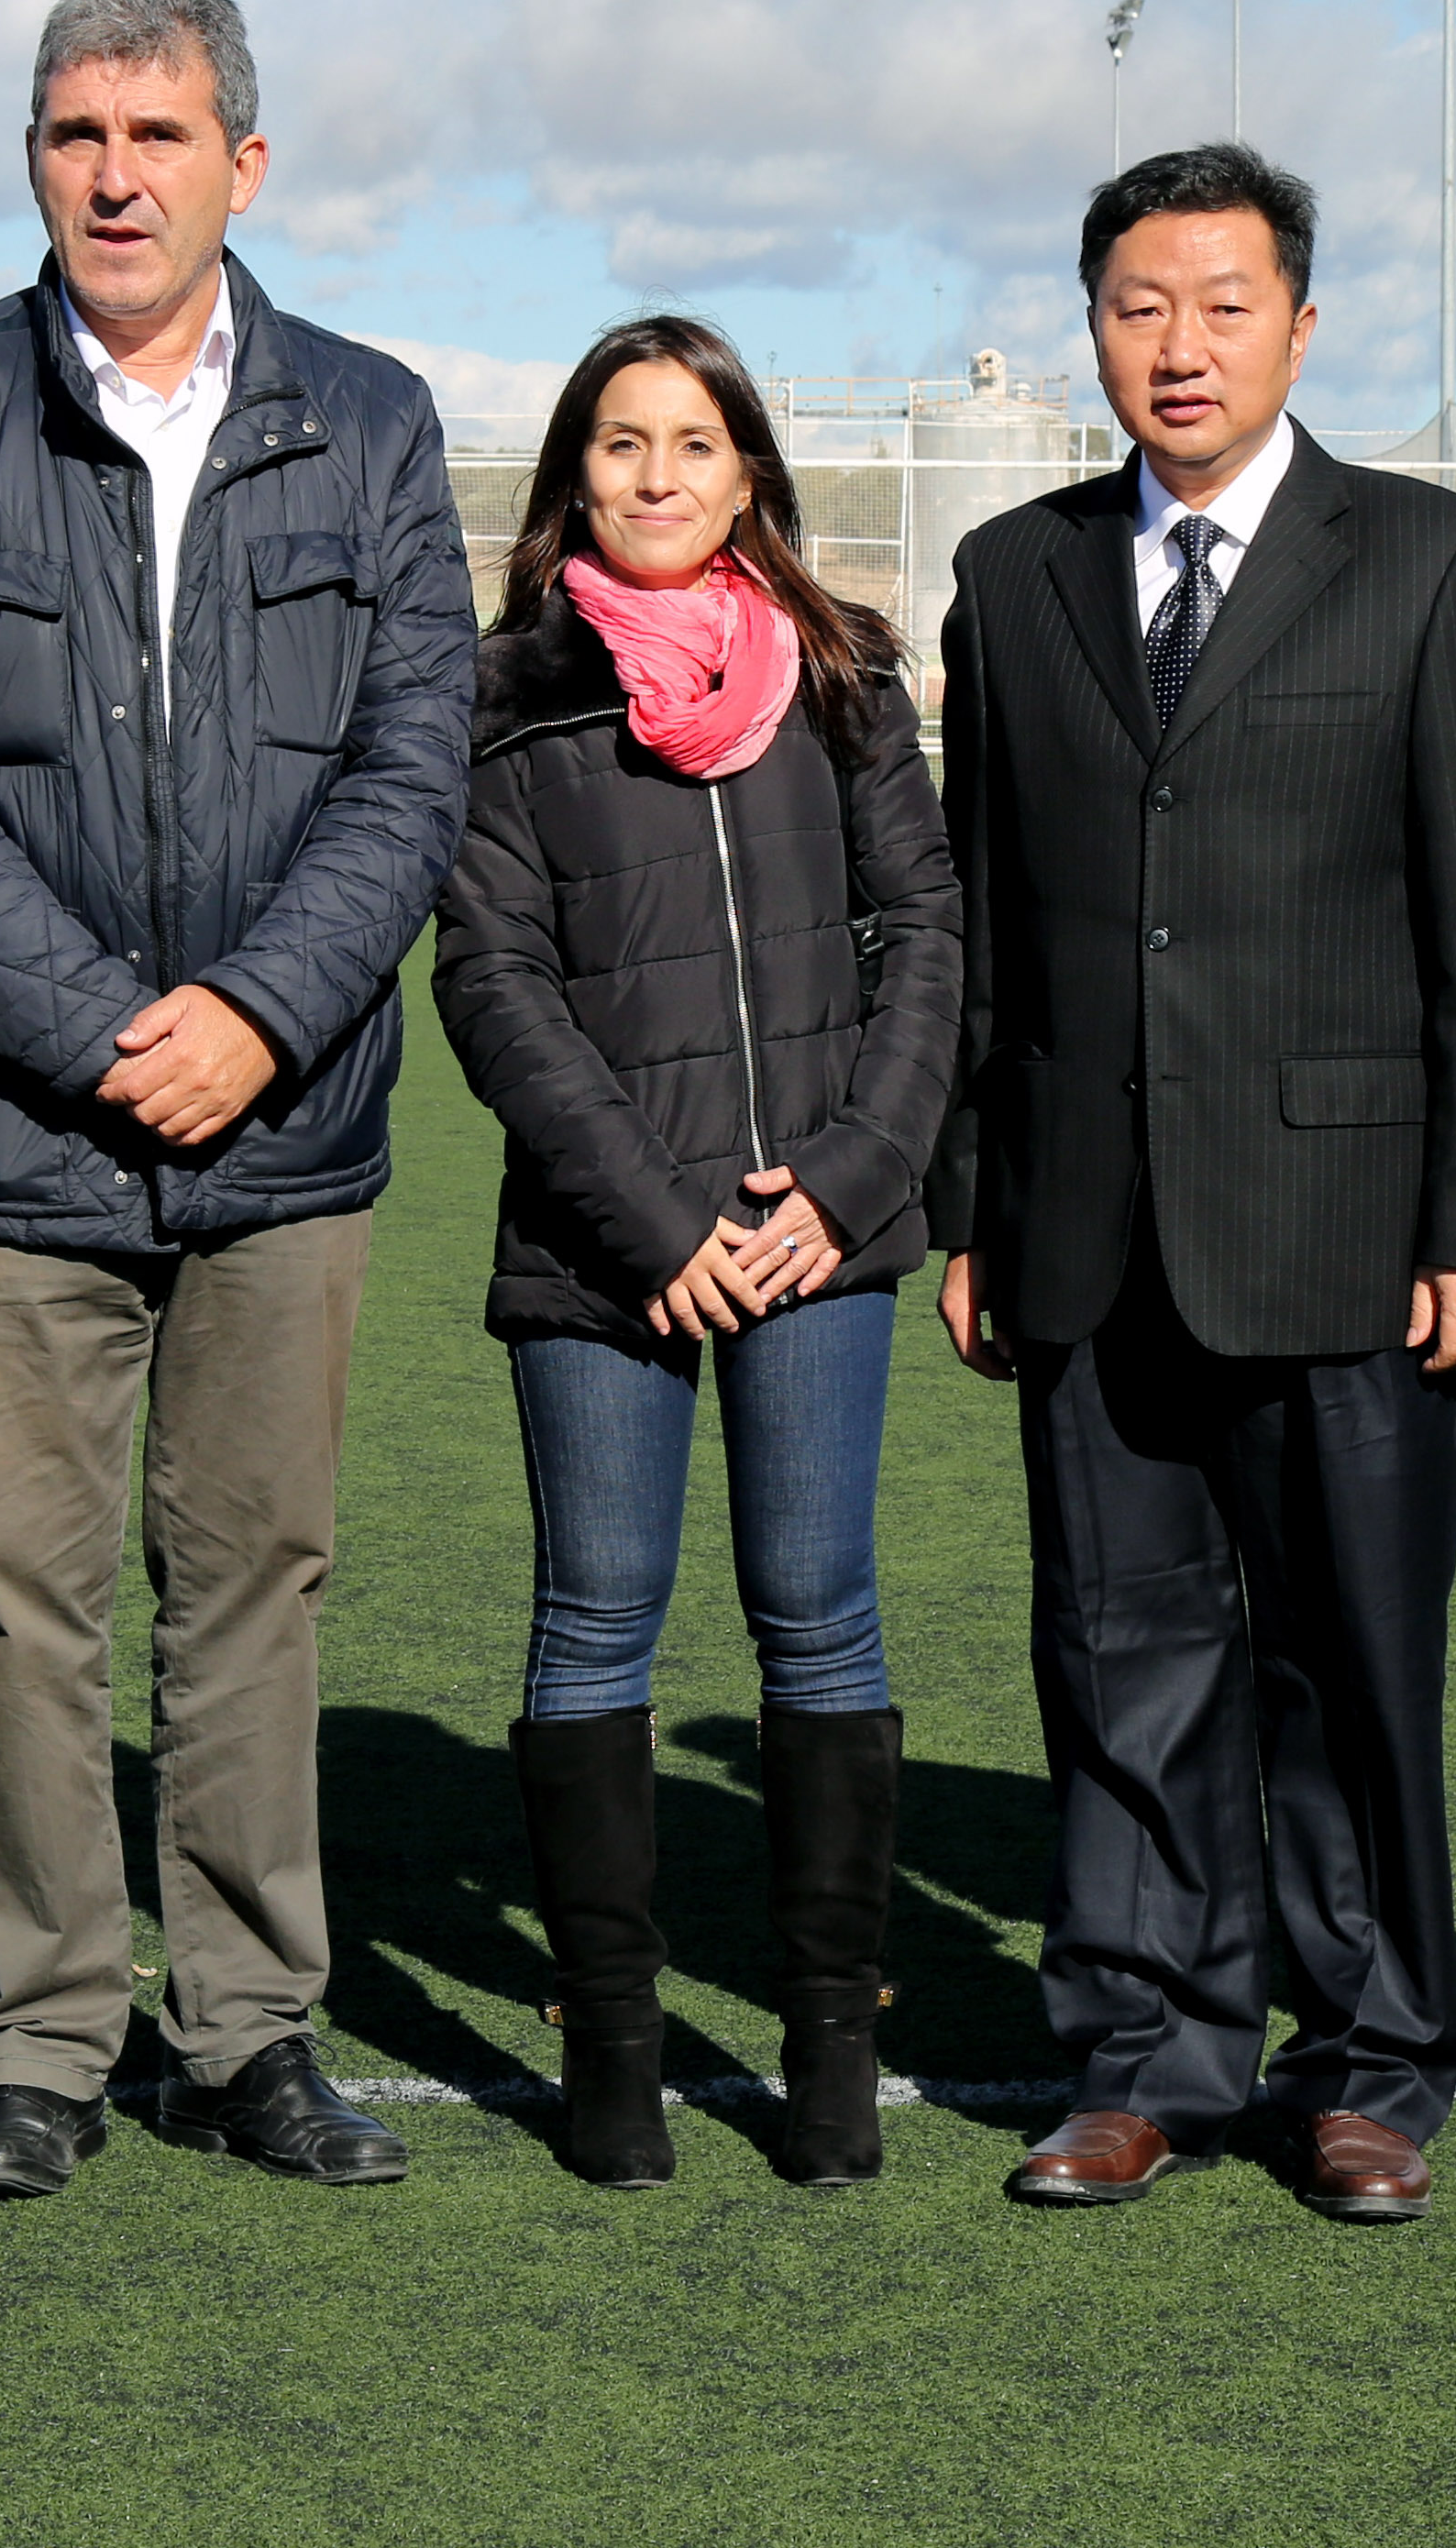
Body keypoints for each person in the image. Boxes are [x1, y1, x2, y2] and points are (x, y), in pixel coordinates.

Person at [0, 0, 475, 2199]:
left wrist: (265, 1009)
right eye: (77, 134)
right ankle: (40, 2038)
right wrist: (100, 1023)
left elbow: (413, 760)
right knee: (16, 1592)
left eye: (158, 136)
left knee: (257, 1579)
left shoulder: (371, 418)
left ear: (242, 164)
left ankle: (252, 2026)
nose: (115, 173)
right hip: (8, 1134)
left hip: (288, 1133)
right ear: (34, 159)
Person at [928, 144, 1456, 2223]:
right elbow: (983, 925)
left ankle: (1377, 2057)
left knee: (1351, 1661)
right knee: (1120, 1659)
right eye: (1137, 304)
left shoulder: (1435, 562)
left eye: (1221, 302)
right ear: (1091, 322)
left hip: (1349, 1229)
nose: (1177, 345)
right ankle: (1143, 2051)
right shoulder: (1013, 575)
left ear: (1303, 318)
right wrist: (973, 1198)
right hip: (1089, 1224)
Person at [431, 316, 962, 2191]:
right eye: (623, 442)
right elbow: (488, 983)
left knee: (820, 1605)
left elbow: (925, 927)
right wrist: (656, 1222)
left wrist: (846, 1174)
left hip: (823, 1226)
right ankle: (618, 2058)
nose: (659, 474)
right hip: (607, 1252)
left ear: (750, 474)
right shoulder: (507, 697)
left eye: (696, 442)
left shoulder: (845, 674)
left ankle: (829, 2059)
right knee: (598, 1613)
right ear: (578, 471)